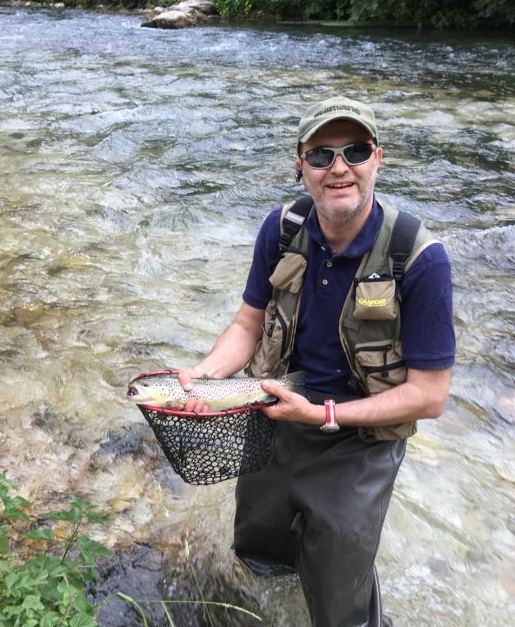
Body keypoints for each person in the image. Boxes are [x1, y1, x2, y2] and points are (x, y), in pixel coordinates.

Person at [178, 96, 455, 627]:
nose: (339, 168)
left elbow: (430, 395)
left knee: (339, 600)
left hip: (359, 440)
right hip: (276, 415)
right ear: (300, 166)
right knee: (257, 554)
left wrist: (324, 415)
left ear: (378, 158)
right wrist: (207, 375)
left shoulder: (418, 258)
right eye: (321, 155)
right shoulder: (281, 229)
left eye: (354, 150)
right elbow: (246, 326)